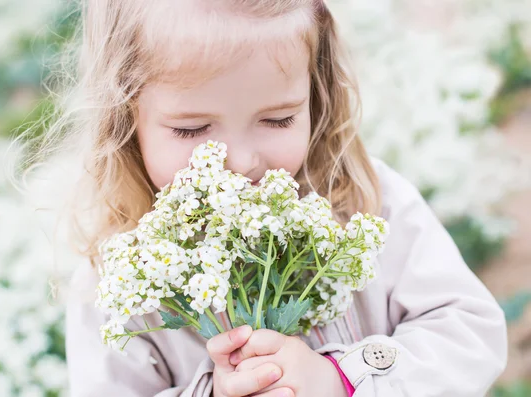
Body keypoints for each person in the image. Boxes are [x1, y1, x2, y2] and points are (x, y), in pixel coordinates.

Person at [30, 0, 507, 395]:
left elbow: (469, 329)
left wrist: (343, 379)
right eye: (192, 129)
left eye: (278, 119)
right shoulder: (118, 278)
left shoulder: (364, 201)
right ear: (125, 121)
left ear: (315, 97)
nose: (239, 162)